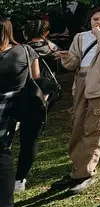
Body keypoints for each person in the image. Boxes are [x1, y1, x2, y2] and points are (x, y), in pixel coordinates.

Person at [52, 6, 100, 194]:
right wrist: (67, 57)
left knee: (94, 127)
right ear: (89, 19)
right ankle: (77, 170)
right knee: (78, 126)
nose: (99, 23)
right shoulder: (80, 37)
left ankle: (86, 173)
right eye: (95, 19)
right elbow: (73, 64)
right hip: (81, 82)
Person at [14, 20, 60, 192]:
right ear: (46, 33)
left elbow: (34, 76)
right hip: (44, 95)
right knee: (30, 137)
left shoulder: (21, 50)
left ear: (25, 33)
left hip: (24, 94)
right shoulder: (53, 49)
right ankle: (20, 178)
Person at [1, 19, 40, 207]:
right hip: (17, 109)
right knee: (4, 152)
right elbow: (35, 76)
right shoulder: (25, 50)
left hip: (3, 108)